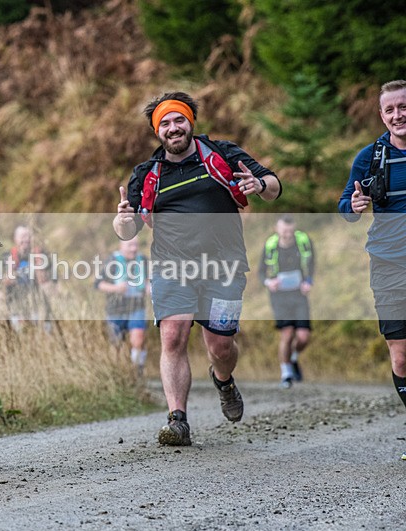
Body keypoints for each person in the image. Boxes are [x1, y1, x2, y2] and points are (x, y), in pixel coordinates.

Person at [113, 91, 281, 446]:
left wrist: (259, 184)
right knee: (173, 336)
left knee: (221, 347)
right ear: (157, 131)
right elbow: (129, 229)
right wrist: (122, 221)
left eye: (179, 120)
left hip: (224, 266)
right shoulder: (147, 174)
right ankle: (178, 420)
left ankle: (224, 380)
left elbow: (273, 186)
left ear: (190, 122)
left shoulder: (222, 153)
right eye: (164, 123)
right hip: (171, 267)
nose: (173, 128)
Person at [338, 79, 406, 461]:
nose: (398, 115)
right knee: (401, 357)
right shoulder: (370, 157)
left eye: (403, 106)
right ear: (382, 116)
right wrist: (353, 206)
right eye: (390, 109)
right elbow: (345, 207)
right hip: (389, 263)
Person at [259, 214, 315, 389]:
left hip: (299, 294)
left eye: (290, 231)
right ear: (277, 229)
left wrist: (308, 282)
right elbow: (261, 272)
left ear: (294, 229)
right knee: (287, 333)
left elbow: (312, 263)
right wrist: (269, 282)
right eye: (284, 230)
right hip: (279, 296)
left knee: (303, 337)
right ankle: (286, 374)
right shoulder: (270, 246)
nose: (287, 234)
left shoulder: (303, 242)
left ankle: (293, 357)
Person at [95, 236, 149, 376]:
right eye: (130, 245)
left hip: (137, 307)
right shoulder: (112, 261)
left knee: (138, 339)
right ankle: (117, 375)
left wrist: (149, 288)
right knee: (116, 345)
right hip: (115, 309)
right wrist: (116, 288)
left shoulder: (142, 260)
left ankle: (136, 372)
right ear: (121, 246)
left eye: (136, 245)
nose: (134, 248)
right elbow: (99, 284)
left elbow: (148, 281)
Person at [0, 225, 54, 332]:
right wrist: (11, 274)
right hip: (16, 303)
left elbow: (51, 280)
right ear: (15, 239)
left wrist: (40, 270)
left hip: (37, 303)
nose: (26, 240)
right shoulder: (7, 256)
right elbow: (0, 281)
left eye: (28, 236)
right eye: (22, 237)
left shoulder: (41, 255)